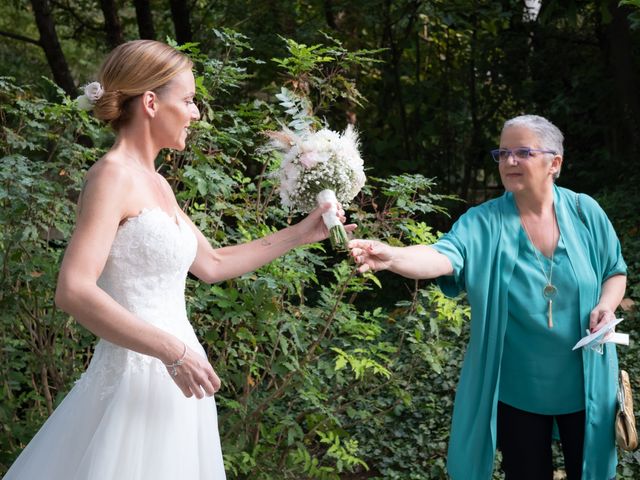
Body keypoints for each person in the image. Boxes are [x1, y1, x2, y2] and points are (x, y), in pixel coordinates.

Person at [4, 39, 354, 480]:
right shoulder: (111, 177)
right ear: (151, 102)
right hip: (142, 374)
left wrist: (304, 233)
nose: (196, 113)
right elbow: (73, 289)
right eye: (187, 100)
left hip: (178, 383)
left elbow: (211, 263)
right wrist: (173, 352)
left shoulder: (156, 183)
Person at [349, 115, 627, 480]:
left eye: (523, 152)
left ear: (554, 163)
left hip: (587, 383)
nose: (509, 161)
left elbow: (614, 272)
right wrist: (392, 256)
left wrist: (606, 305)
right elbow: (442, 256)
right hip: (518, 388)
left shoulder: (584, 211)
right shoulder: (482, 222)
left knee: (591, 472)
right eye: (503, 153)